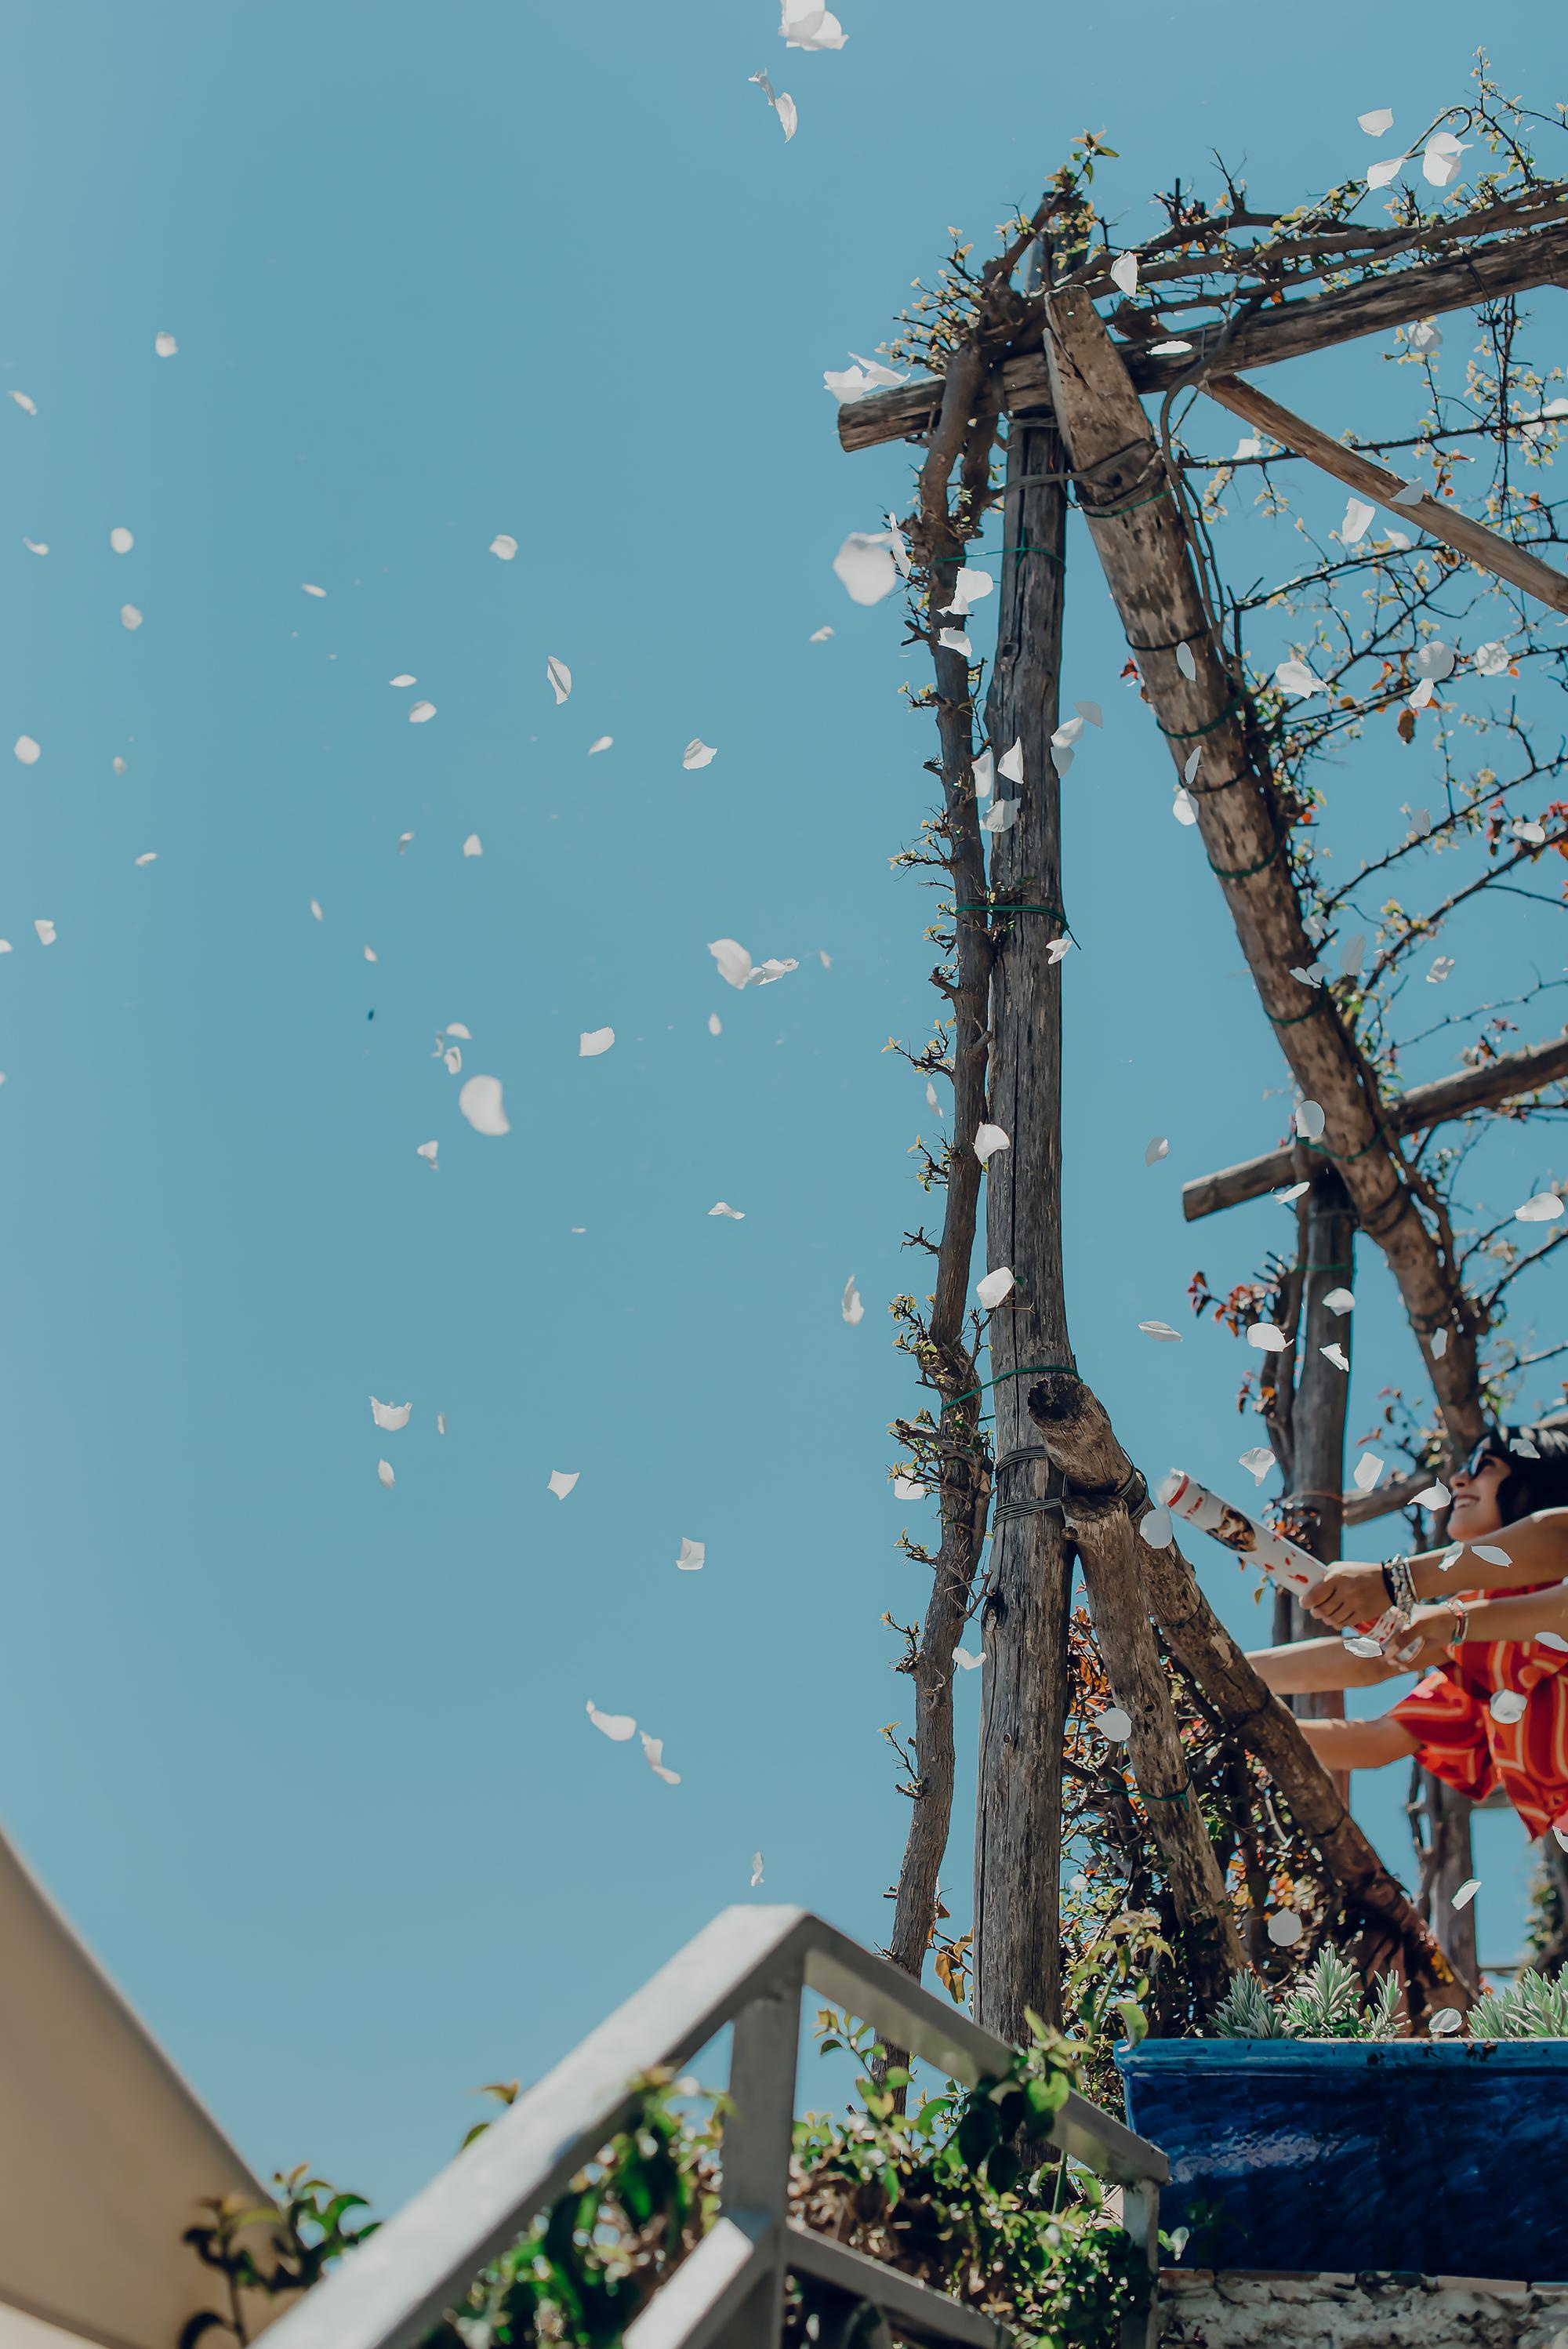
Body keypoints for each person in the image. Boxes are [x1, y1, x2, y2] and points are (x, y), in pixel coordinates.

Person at [1249, 1424, 1568, 1839]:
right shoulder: (1487, 1665)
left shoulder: (1498, 1611)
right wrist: (1225, 1686)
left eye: (1485, 1465)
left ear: (1539, 1483)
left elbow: (1559, 1549)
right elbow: (1375, 1734)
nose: (1459, 1479)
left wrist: (1396, 1583)